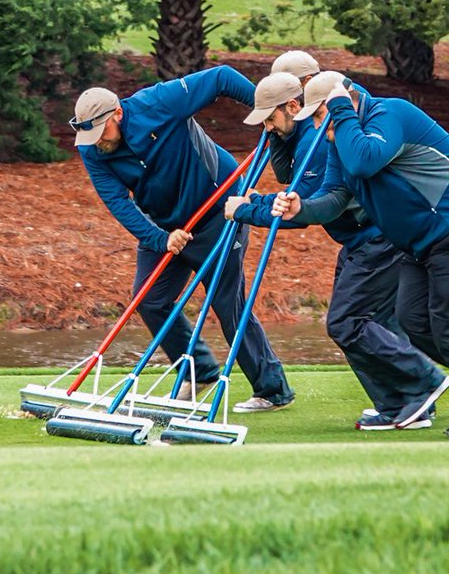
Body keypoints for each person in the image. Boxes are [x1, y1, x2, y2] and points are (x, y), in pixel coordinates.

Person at [267, 51, 449, 410]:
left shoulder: (388, 113)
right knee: (415, 321)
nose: (316, 126)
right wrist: (301, 206)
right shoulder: (335, 140)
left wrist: (340, 110)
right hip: (419, 238)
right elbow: (333, 196)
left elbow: (364, 162)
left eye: (318, 115)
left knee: (446, 325)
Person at [225, 72, 449, 430]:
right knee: (364, 325)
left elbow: (310, 208)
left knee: (347, 323)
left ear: (294, 106)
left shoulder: (318, 141)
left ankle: (423, 382)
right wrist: (263, 186)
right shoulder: (312, 137)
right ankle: (403, 403)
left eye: (270, 119)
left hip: (376, 239)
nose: (267, 128)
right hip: (361, 240)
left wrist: (248, 210)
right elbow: (295, 186)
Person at [71, 69, 295, 412]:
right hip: (164, 226)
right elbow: (118, 202)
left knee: (227, 304)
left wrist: (266, 113)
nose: (98, 141)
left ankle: (272, 390)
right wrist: (160, 239)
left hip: (220, 210)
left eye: (102, 132)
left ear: (117, 113)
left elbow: (221, 77)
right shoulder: (92, 149)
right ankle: (200, 370)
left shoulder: (159, 102)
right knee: (150, 299)